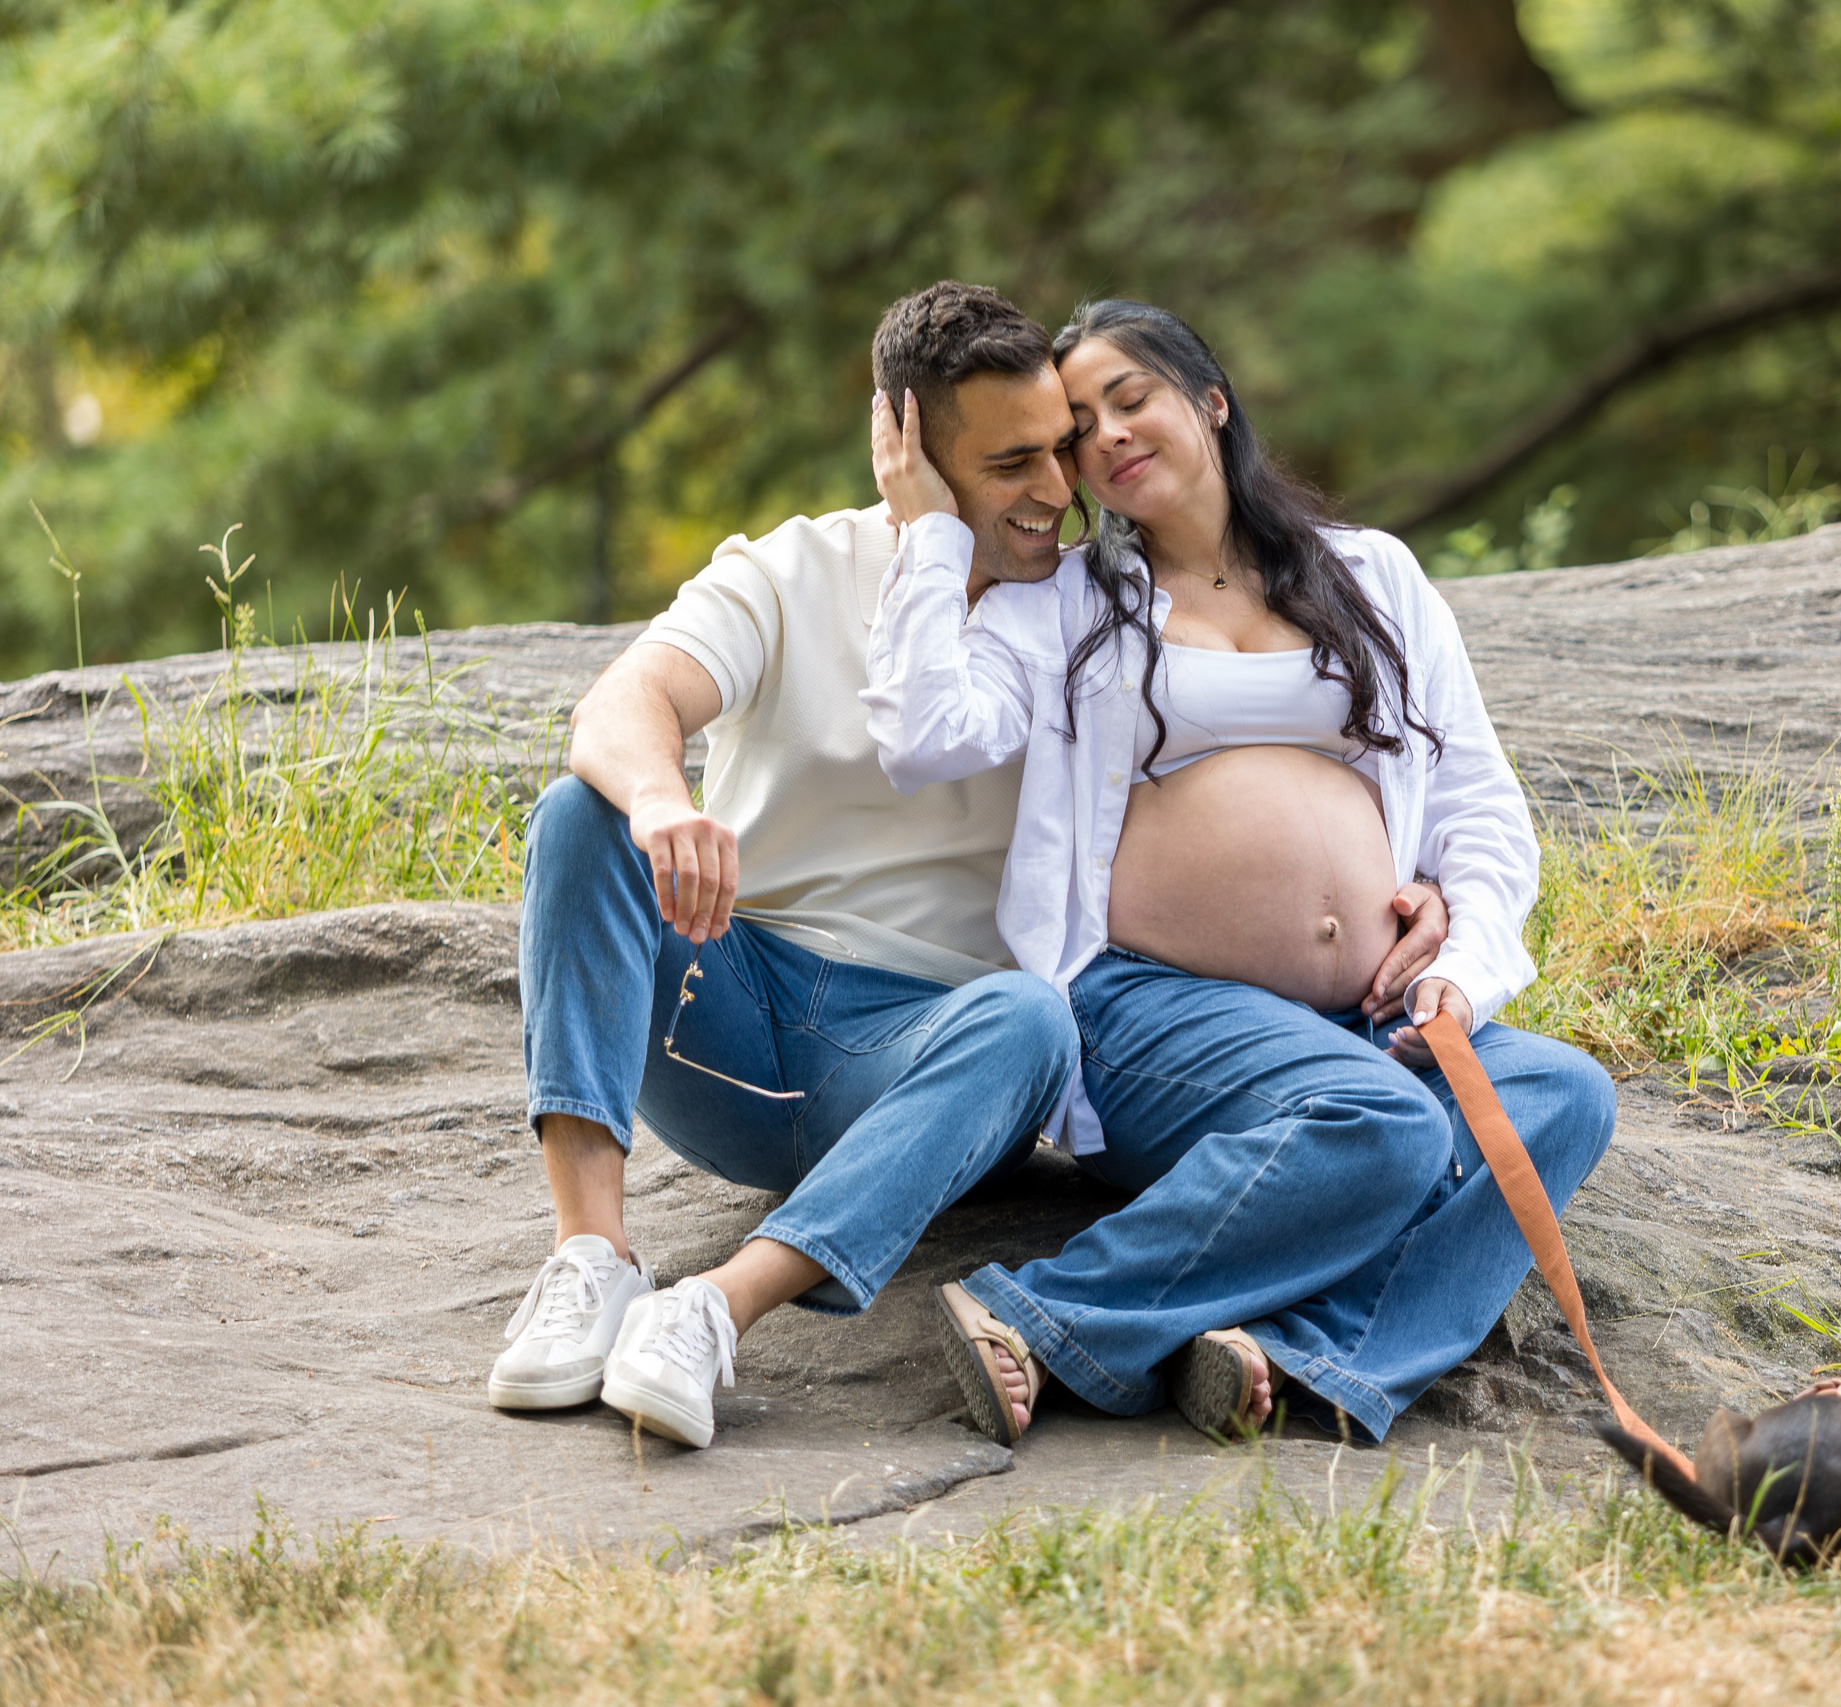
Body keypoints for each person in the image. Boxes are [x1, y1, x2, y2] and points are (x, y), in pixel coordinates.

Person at [863, 297, 1617, 1448]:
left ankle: (1291, 1354)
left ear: (1209, 400)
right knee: (1382, 1124)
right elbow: (925, 739)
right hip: (1149, 1008)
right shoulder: (1060, 605)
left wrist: (1460, 961)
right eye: (1079, 427)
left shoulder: (1373, 575)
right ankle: (1038, 1314)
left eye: (1132, 399)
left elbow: (1475, 799)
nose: (1105, 435)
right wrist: (926, 533)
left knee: (1563, 1095)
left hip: (1366, 1015)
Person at [487, 284, 1202, 1450]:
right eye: (1012, 462)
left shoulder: (1095, 619)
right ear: (904, 448)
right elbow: (625, 701)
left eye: (1059, 451)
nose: (1056, 492)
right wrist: (666, 805)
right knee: (583, 816)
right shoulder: (800, 568)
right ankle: (590, 1259)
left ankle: (715, 1312)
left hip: (925, 1054)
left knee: (1028, 1019)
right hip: (731, 1004)